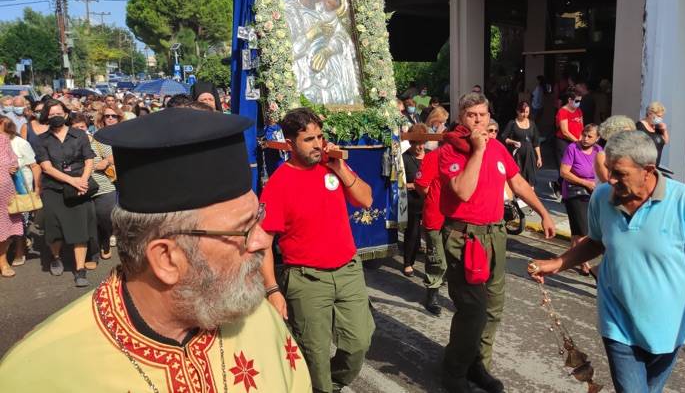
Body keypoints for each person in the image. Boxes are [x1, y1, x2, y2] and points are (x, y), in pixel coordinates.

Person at [0, 108, 312, 391]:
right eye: (245, 228)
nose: (261, 240)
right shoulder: (41, 375)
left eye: (259, 217)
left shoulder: (256, 316)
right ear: (166, 259)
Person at [530, 131, 685, 393]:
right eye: (608, 170)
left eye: (619, 173)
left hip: (669, 327)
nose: (610, 179)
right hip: (617, 321)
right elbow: (596, 242)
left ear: (648, 170)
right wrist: (558, 263)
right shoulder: (601, 197)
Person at [438, 92, 555, 393]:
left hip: (495, 235)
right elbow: (462, 192)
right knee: (472, 310)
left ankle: (478, 364)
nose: (478, 120)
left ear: (490, 115)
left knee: (493, 308)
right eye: (471, 115)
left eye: (483, 114)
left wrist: (543, 213)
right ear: (461, 117)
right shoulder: (450, 151)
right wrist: (476, 151)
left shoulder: (499, 148)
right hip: (465, 238)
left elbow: (517, 183)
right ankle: (454, 371)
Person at [260, 108, 374, 393]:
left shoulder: (331, 166)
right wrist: (273, 290)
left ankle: (333, 383)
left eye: (320, 137)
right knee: (315, 353)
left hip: (348, 270)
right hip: (306, 279)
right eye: (309, 139)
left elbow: (367, 199)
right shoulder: (278, 184)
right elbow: (262, 243)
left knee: (359, 341)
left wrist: (340, 168)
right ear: (290, 145)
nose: (318, 144)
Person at [35, 99, 98, 286]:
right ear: (46, 116)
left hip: (80, 186)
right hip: (54, 188)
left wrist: (83, 181)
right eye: (51, 114)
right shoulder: (41, 140)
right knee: (54, 228)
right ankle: (56, 256)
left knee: (80, 227)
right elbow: (46, 167)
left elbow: (89, 160)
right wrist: (73, 181)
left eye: (58, 113)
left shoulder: (79, 135)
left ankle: (80, 270)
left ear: (65, 114)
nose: (56, 117)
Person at [414, 120, 448, 315]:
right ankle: (432, 292)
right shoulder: (434, 157)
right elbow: (421, 184)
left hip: (457, 216)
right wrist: (434, 197)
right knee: (436, 257)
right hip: (436, 215)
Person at [559, 124, 601, 276]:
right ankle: (584, 262)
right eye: (584, 135)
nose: (585, 139)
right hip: (574, 191)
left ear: (597, 138)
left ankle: (572, 254)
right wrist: (585, 183)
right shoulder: (572, 148)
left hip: (592, 191)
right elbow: (564, 172)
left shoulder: (598, 151)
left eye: (590, 136)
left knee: (578, 228)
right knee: (583, 229)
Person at [1, 116, 40, 268]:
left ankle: (19, 251)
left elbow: (34, 165)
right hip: (5, 189)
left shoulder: (20, 143)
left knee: (20, 223)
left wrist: (36, 188)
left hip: (20, 189)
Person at [91, 105, 123, 260]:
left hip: (124, 175)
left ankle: (119, 232)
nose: (110, 118)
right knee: (108, 209)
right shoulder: (97, 136)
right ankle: (109, 232)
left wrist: (109, 160)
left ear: (119, 117)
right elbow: (95, 160)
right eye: (107, 116)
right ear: (102, 118)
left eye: (114, 116)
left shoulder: (126, 133)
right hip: (106, 178)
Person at [402, 123, 428, 277]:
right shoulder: (404, 158)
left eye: (422, 143)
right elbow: (400, 183)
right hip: (413, 202)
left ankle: (434, 266)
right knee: (412, 232)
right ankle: (407, 263)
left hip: (430, 200)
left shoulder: (431, 154)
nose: (420, 147)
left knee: (432, 234)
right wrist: (414, 185)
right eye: (416, 144)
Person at [550, 87, 583, 201]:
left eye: (580, 101)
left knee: (575, 167)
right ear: (570, 100)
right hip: (563, 142)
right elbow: (564, 131)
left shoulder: (578, 111)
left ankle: (562, 186)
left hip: (576, 142)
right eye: (577, 101)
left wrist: (582, 139)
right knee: (564, 168)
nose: (578, 103)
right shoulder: (562, 111)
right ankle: (564, 194)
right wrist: (577, 141)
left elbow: (581, 127)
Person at [501, 101, 542, 187]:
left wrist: (539, 158)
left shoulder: (532, 124)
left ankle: (530, 195)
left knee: (531, 179)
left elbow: (536, 142)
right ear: (517, 111)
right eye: (522, 112)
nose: (524, 114)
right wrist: (513, 142)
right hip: (517, 156)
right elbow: (504, 137)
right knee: (519, 178)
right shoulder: (512, 123)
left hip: (530, 155)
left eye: (527, 112)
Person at [0, 132, 20, 278]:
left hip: (4, 191)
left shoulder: (2, 138)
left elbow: (13, 160)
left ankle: (3, 261)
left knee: (3, 229)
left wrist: (13, 166)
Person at [595, 115, 637, 183]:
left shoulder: (628, 155)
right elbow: (607, 180)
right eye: (625, 133)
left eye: (630, 133)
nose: (629, 136)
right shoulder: (602, 155)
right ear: (613, 133)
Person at [637, 101, 670, 167]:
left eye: (661, 117)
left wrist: (664, 130)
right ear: (650, 114)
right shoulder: (640, 126)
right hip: (643, 166)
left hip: (655, 166)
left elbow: (665, 141)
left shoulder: (657, 127)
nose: (660, 119)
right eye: (658, 116)